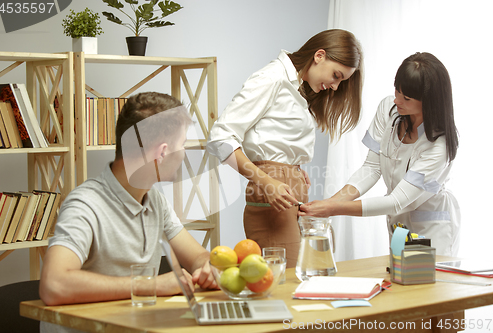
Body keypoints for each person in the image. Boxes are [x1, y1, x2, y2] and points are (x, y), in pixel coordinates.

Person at [39, 92, 218, 333]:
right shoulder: (85, 204)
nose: (184, 153)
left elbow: (196, 256)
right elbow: (54, 284)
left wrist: (207, 267)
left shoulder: (154, 200)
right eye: (183, 145)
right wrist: (149, 285)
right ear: (162, 152)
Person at [207, 29, 363, 267]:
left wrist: (292, 167)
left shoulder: (296, 86)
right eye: (337, 76)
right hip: (273, 198)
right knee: (287, 283)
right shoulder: (272, 78)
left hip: (288, 192)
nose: (335, 86)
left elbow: (272, 139)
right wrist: (268, 180)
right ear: (319, 55)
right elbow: (220, 137)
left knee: (298, 280)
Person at [299, 52, 460, 256]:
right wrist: (331, 202)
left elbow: (396, 201)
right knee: (399, 277)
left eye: (406, 98)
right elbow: (372, 168)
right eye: (397, 91)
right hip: (398, 221)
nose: (397, 100)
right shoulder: (390, 109)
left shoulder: (439, 145)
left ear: (429, 102)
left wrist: (332, 208)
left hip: (430, 224)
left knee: (424, 282)